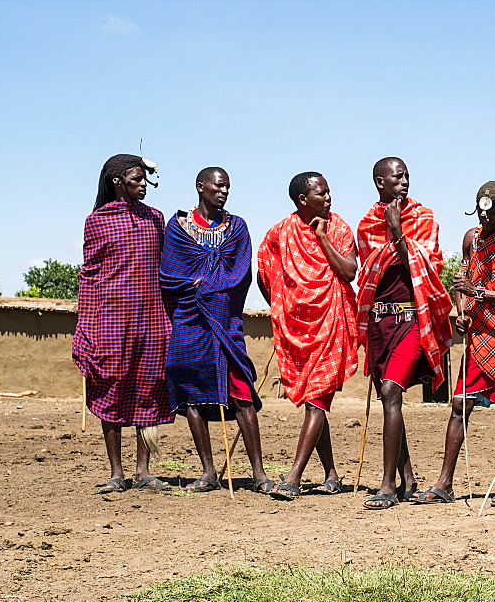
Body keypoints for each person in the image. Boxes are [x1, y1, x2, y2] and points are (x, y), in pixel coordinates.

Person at [413, 181, 495, 507]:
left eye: (492, 216)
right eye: (481, 215)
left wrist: (478, 294)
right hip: (481, 335)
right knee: (460, 405)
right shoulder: (474, 238)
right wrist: (461, 310)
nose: (485, 222)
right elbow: (462, 280)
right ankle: (445, 483)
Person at [160, 167, 273, 493]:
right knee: (192, 395)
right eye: (218, 185)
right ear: (200, 187)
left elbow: (241, 273)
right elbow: (168, 273)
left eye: (228, 186)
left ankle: (259, 474)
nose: (224, 191)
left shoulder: (236, 227)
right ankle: (208, 471)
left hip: (224, 321)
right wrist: (193, 285)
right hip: (189, 321)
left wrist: (206, 285)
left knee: (241, 393)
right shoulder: (178, 227)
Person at [356, 157, 453, 510]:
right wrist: (391, 233)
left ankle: (386, 486)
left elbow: (426, 262)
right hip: (380, 324)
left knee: (390, 390)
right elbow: (369, 268)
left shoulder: (423, 218)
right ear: (380, 182)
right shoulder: (367, 224)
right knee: (388, 400)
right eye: (397, 177)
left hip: (413, 319)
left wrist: (397, 230)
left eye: (407, 176)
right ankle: (408, 479)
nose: (404, 182)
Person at [74, 153, 174, 493]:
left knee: (148, 389)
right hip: (112, 320)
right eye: (137, 178)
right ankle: (116, 473)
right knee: (112, 389)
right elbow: (90, 275)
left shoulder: (155, 219)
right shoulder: (97, 221)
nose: (143, 184)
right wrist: (86, 324)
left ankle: (143, 470)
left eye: (145, 178)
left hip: (152, 319)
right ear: (118, 181)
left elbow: (166, 269)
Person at [257, 172, 358, 500]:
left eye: (329, 192)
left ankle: (294, 477)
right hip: (297, 329)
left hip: (331, 324)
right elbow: (265, 274)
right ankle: (331, 474)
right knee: (315, 401)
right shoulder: (280, 233)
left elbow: (349, 271)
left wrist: (323, 238)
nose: (328, 198)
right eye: (322, 193)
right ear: (303, 200)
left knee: (316, 402)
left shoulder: (339, 228)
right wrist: (284, 307)